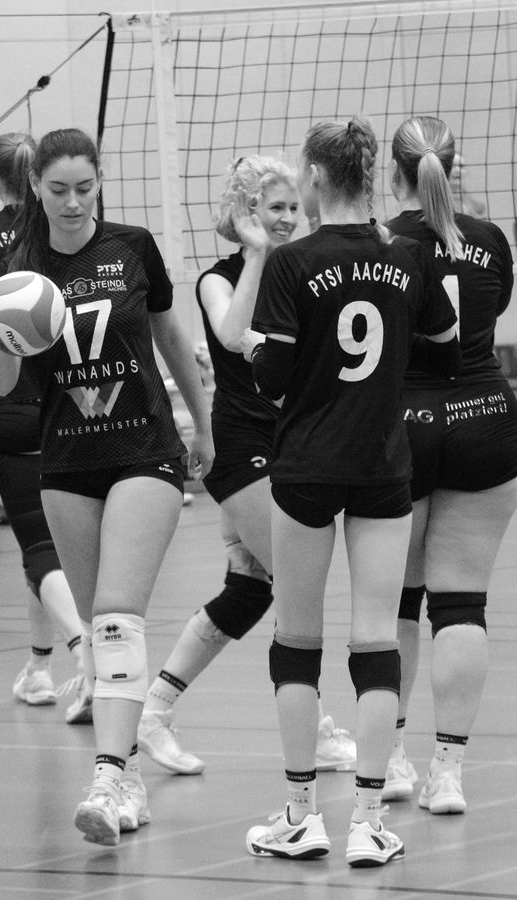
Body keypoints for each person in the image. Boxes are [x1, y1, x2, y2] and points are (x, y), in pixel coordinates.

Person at [0, 127, 214, 847]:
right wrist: (1, 330)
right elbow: (1, 385)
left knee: (117, 617)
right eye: (58, 190)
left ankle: (106, 777)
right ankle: (130, 779)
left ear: (100, 181)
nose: (74, 202)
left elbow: (172, 340)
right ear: (36, 189)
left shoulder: (132, 248)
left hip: (144, 450)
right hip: (67, 463)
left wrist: (205, 427)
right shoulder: (22, 269)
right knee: (97, 639)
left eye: (85, 187)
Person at [240, 116, 460, 867]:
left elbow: (271, 379)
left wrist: (273, 357)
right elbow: (447, 350)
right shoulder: (408, 255)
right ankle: (368, 819)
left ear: (314, 176)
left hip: (305, 465)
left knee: (296, 640)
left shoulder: (291, 262)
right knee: (376, 639)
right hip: (382, 465)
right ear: (367, 176)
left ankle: (302, 816)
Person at [139, 155, 356, 777]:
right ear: (246, 212)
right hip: (241, 448)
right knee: (295, 583)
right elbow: (234, 335)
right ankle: (315, 732)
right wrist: (257, 254)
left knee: (249, 590)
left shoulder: (307, 271)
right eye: (273, 207)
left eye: (292, 207)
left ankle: (153, 713)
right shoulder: (220, 278)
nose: (287, 218)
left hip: (293, 442)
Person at [382, 115, 517, 813]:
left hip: (403, 424)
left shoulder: (380, 244)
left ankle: (392, 760)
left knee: (394, 601)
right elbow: (489, 319)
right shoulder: (490, 240)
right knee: (463, 604)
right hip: (486, 417)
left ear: (392, 172)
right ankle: (449, 774)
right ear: (451, 166)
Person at [0, 132, 90, 721]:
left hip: (13, 410)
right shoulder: (64, 236)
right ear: (38, 180)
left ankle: (84, 654)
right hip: (71, 408)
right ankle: (39, 666)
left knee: (38, 550)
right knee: (56, 550)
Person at [450, 152, 487, 219]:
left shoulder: (475, 205)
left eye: (461, 166)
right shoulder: (435, 201)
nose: (457, 170)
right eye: (452, 166)